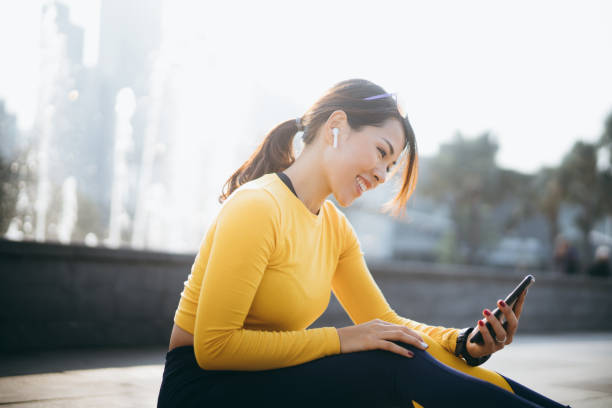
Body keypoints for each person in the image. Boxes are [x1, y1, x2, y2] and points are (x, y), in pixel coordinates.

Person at [157, 79, 570, 407]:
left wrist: (464, 343)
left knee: (397, 356)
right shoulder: (258, 206)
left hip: (266, 383)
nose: (382, 175)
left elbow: (387, 324)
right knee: (382, 366)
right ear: (336, 127)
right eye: (381, 152)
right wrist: (343, 339)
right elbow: (214, 347)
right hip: (202, 391)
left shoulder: (335, 228)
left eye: (392, 167)